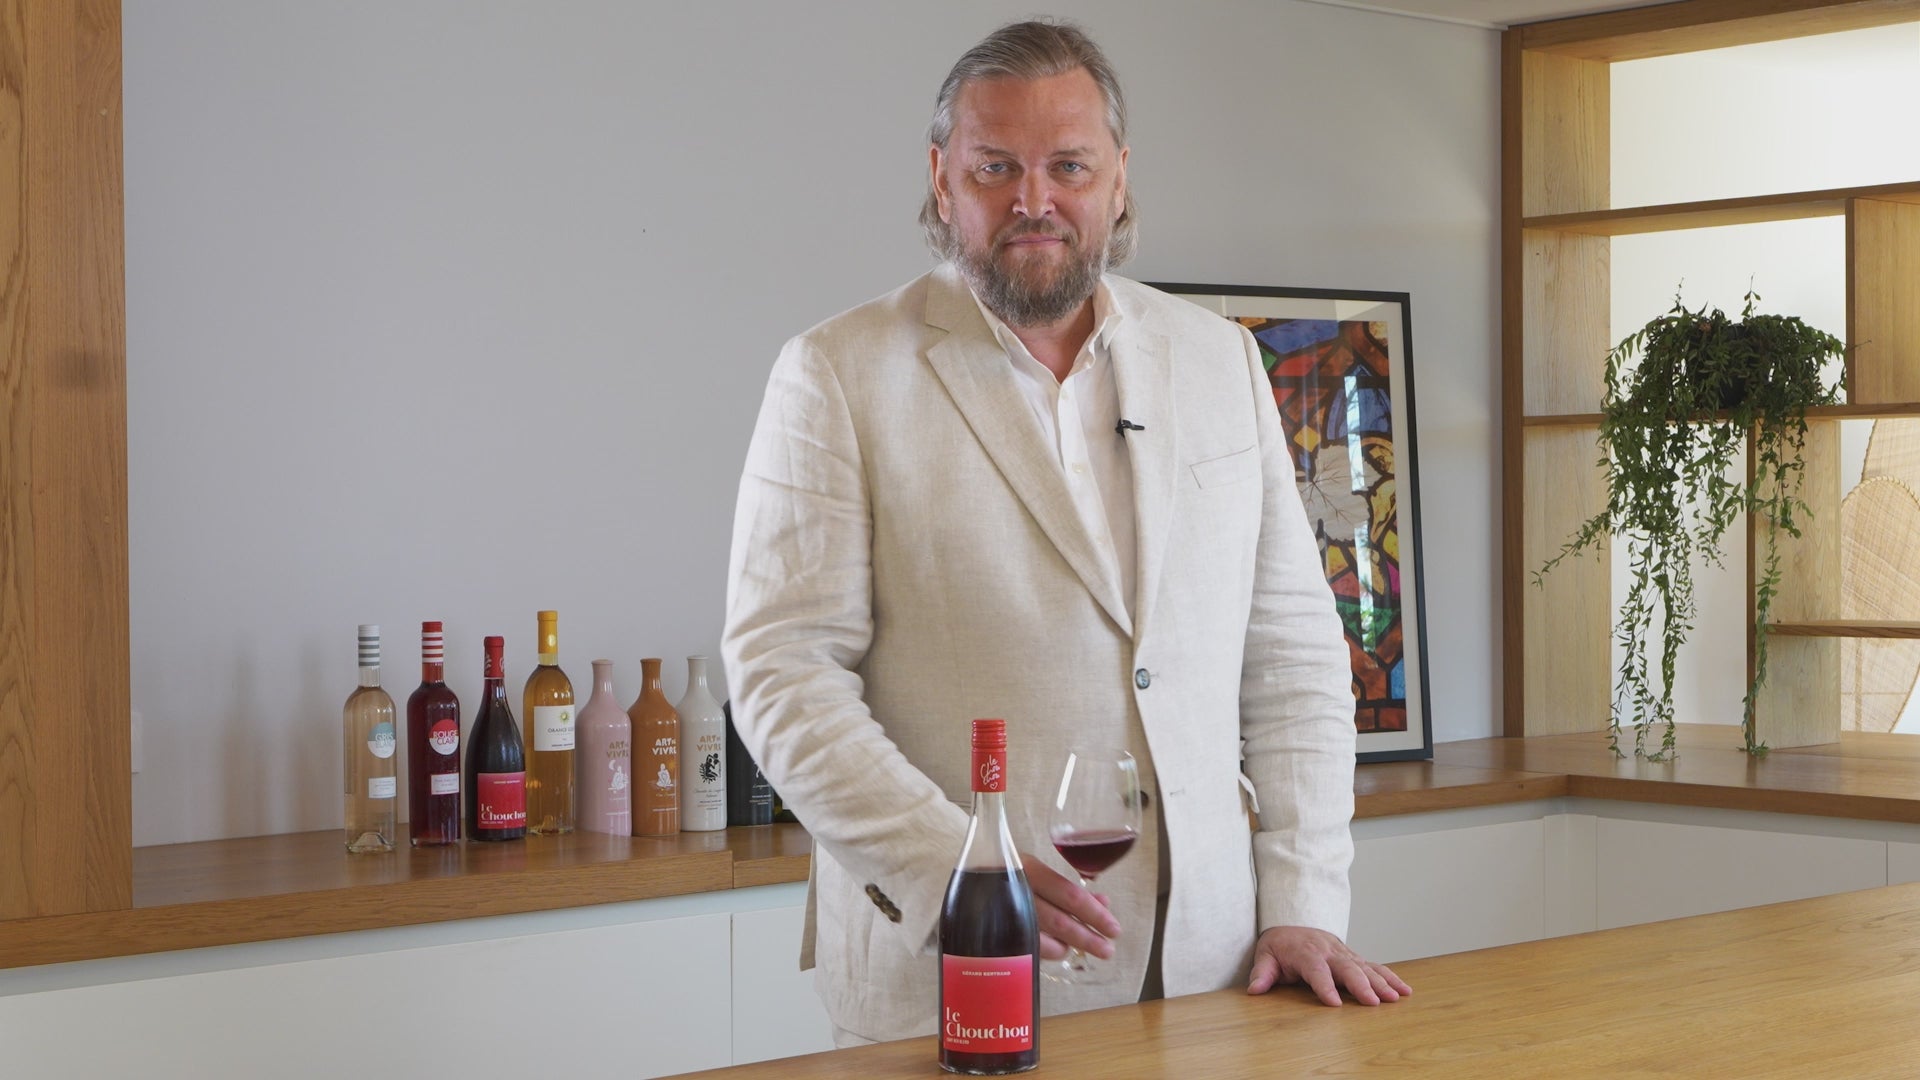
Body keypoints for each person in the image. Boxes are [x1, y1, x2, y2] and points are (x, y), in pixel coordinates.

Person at [721, 18, 1408, 1046]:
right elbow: (783, 675)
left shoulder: (1220, 362)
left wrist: (1305, 900)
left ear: (1120, 179)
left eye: (1068, 167)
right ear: (942, 179)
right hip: (957, 967)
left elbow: (1295, 658)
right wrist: (956, 869)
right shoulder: (836, 373)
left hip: (1218, 973)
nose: (1033, 200)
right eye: (995, 166)